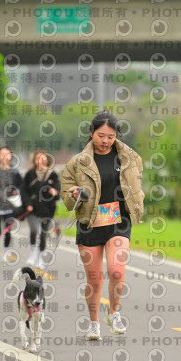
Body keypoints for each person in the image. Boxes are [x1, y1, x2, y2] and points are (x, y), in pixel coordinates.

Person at [61, 111, 144, 341]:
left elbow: (136, 184)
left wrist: (137, 201)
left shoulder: (129, 158)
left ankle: (114, 313)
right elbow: (66, 195)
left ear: (116, 135)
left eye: (110, 136)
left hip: (118, 220)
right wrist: (73, 193)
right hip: (90, 222)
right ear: (91, 133)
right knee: (94, 279)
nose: (105, 141)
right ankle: (93, 323)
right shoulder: (77, 163)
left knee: (117, 270)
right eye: (100, 136)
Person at [21, 149, 60, 269]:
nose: (41, 160)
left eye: (43, 158)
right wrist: (27, 204)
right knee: (34, 230)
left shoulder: (52, 175)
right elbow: (24, 191)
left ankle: (40, 257)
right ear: (34, 160)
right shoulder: (30, 174)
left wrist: (54, 192)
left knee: (43, 234)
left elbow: (58, 192)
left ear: (47, 160)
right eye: (38, 158)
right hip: (32, 208)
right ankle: (33, 253)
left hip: (47, 209)